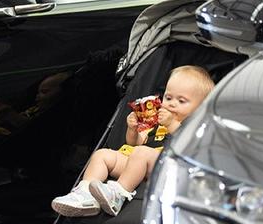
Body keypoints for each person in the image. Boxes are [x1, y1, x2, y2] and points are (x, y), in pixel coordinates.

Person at [51, 65, 214, 216]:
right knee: (102, 155)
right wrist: (133, 129)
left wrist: (172, 123)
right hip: (139, 165)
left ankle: (119, 193)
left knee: (141, 153)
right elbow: (135, 144)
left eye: (181, 101)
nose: (171, 104)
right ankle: (85, 195)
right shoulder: (157, 121)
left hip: (171, 169)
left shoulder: (196, 124)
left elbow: (190, 144)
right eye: (168, 97)